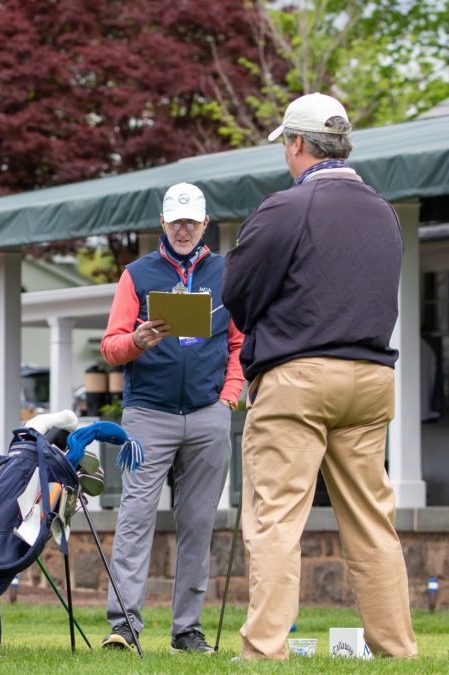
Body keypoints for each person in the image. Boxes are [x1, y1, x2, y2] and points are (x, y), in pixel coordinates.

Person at [223, 93, 418, 660]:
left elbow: (238, 293)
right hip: (373, 379)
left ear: (299, 143)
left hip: (300, 377)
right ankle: (397, 649)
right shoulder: (383, 210)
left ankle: (264, 649)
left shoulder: (287, 206)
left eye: (286, 142)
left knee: (276, 518)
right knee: (372, 522)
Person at [99, 182, 244, 653]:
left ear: (206, 224)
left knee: (199, 522)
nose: (184, 229)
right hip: (147, 416)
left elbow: (240, 343)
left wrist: (229, 395)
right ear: (163, 223)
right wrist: (136, 341)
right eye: (176, 221)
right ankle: (123, 626)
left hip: (208, 415)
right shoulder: (137, 275)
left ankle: (187, 629)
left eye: (192, 221)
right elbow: (110, 347)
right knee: (135, 518)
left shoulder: (227, 272)